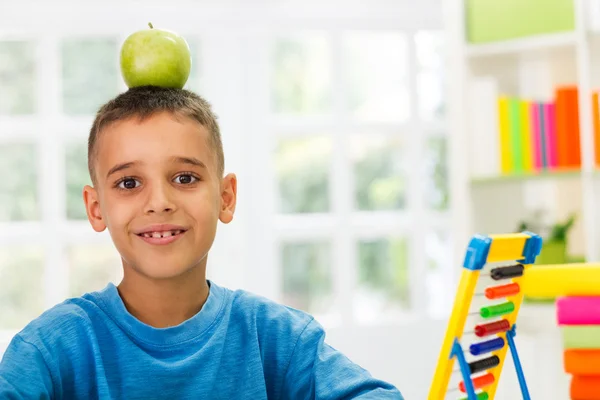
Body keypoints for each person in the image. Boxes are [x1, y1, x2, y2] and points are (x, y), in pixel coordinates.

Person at [0, 86, 403, 399]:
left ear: (225, 197)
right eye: (129, 183)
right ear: (96, 208)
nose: (159, 202)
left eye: (185, 178)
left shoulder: (276, 339)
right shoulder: (51, 350)